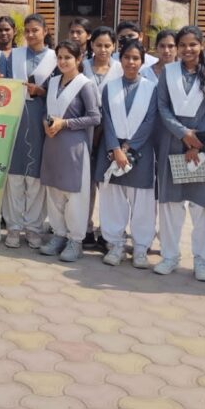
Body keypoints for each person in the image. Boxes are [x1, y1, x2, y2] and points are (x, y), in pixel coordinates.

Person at [153, 26, 205, 281]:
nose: (187, 49)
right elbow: (163, 106)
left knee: (202, 203)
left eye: (192, 44)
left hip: (202, 147)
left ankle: (202, 259)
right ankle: (170, 255)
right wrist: (183, 134)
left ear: (202, 45)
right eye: (182, 45)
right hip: (173, 143)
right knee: (171, 202)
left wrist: (196, 142)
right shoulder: (168, 72)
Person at [95, 39, 159, 269]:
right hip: (112, 151)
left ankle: (141, 248)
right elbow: (108, 121)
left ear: (142, 62)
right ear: (119, 59)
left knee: (142, 201)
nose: (131, 62)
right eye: (127, 57)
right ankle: (116, 244)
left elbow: (150, 121)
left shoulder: (151, 88)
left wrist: (128, 149)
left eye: (136, 58)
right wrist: (115, 149)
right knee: (112, 198)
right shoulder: (110, 87)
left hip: (139, 151)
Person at [39, 41, 101, 263]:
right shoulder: (54, 81)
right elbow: (48, 111)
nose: (63, 61)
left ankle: (75, 240)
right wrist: (46, 123)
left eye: (68, 57)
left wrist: (65, 123)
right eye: (60, 57)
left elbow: (95, 117)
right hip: (53, 144)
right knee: (54, 191)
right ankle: (59, 234)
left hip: (74, 146)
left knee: (74, 195)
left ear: (79, 59)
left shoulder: (85, 84)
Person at [4, 14, 56, 249]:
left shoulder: (56, 58)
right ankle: (14, 227)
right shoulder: (13, 56)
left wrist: (42, 92)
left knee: (35, 178)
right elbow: (3, 84)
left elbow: (60, 92)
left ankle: (34, 228)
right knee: (14, 177)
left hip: (40, 121)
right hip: (16, 119)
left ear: (45, 31)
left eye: (36, 29)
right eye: (27, 30)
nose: (31, 34)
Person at [81, 26, 122, 251]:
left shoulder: (119, 68)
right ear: (91, 45)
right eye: (99, 45)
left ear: (114, 46)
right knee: (86, 184)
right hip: (84, 132)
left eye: (107, 45)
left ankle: (108, 233)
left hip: (110, 133)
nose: (103, 49)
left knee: (107, 186)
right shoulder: (83, 66)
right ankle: (85, 229)